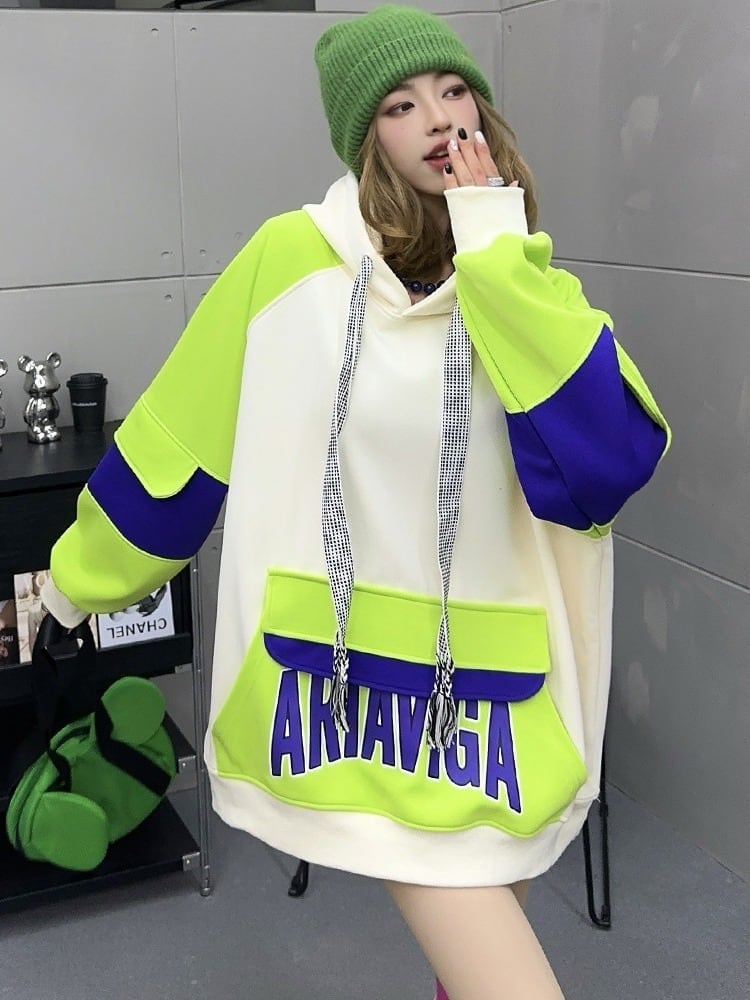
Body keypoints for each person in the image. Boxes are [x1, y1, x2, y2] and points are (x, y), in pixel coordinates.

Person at [40, 6, 670, 998]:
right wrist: (75, 586)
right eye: (400, 104)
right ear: (363, 136)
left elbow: (606, 468)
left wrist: (497, 255)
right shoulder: (287, 260)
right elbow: (177, 444)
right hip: (339, 695)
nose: (438, 117)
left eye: (454, 92)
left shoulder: (522, 276)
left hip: (495, 703)